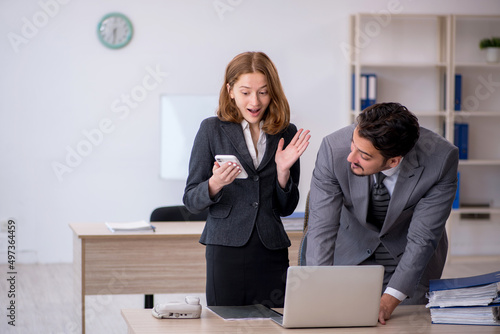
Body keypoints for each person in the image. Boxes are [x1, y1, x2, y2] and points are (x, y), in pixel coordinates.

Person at [305, 102, 458, 324]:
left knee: (405, 326)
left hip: (410, 261)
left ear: (394, 160)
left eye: (364, 156)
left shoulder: (441, 160)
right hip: (351, 253)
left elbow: (422, 239)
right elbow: (321, 227)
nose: (351, 158)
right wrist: (319, 288)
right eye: (353, 145)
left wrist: (388, 301)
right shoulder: (333, 148)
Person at [183, 51, 310, 308]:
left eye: (263, 92)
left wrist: (283, 172)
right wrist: (215, 183)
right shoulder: (211, 129)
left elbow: (286, 208)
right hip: (225, 248)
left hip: (271, 249)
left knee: (274, 323)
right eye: (245, 92)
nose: (255, 101)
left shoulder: (286, 132)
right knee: (225, 325)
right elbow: (190, 200)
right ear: (230, 91)